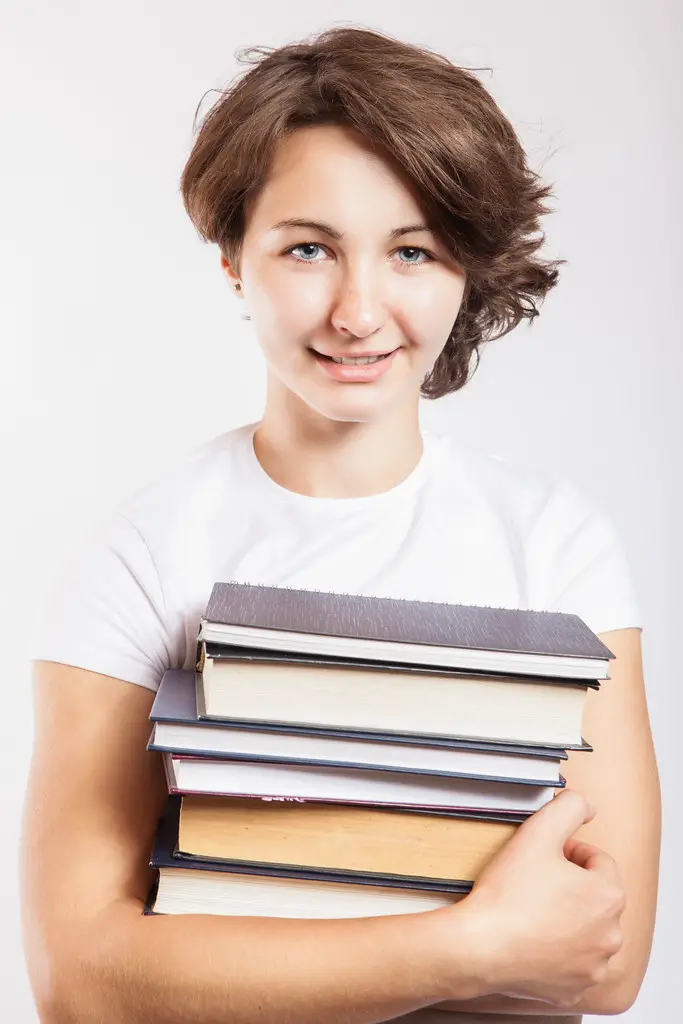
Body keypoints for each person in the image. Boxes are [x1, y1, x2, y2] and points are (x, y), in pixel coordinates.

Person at [20, 24, 660, 1024]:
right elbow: (82, 980)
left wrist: (227, 962)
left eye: (410, 251)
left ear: (465, 270)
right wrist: (470, 943)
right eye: (308, 248)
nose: (358, 312)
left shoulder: (555, 546)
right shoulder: (143, 560)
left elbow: (605, 963)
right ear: (234, 256)